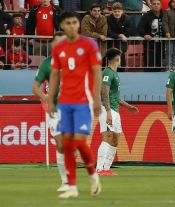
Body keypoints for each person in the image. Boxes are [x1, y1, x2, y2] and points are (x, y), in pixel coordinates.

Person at [47, 11, 102, 199]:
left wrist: (96, 99)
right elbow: (54, 75)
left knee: (78, 141)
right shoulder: (58, 48)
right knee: (67, 144)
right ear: (62, 26)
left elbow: (97, 72)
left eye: (74, 22)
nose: (71, 26)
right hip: (64, 102)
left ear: (78, 25)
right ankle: (72, 186)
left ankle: (92, 174)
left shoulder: (89, 45)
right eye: (67, 23)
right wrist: (50, 98)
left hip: (83, 101)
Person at [31, 31, 68, 192]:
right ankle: (65, 181)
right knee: (60, 144)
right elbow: (35, 88)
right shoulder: (46, 64)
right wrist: (44, 96)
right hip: (54, 109)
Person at [96, 48, 139, 176]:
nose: (121, 60)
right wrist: (108, 111)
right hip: (107, 110)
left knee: (115, 140)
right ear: (116, 59)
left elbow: (114, 96)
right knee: (108, 137)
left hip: (115, 110)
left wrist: (128, 106)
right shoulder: (107, 73)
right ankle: (99, 169)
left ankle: (107, 168)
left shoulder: (115, 74)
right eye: (120, 57)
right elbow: (104, 93)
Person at [138, 0, 165, 70]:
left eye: (158, 4)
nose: (156, 5)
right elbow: (139, 28)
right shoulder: (146, 16)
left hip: (161, 46)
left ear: (161, 5)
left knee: (159, 68)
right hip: (149, 46)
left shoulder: (165, 15)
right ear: (151, 5)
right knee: (149, 67)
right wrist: (144, 35)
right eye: (154, 4)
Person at [106, 2, 132, 68]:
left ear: (122, 11)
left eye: (119, 11)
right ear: (112, 11)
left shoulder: (127, 19)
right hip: (110, 40)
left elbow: (128, 32)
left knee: (121, 54)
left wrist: (122, 36)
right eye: (115, 11)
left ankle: (122, 70)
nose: (117, 13)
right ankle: (107, 69)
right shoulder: (108, 18)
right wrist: (119, 35)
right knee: (108, 55)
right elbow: (108, 32)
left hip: (122, 42)